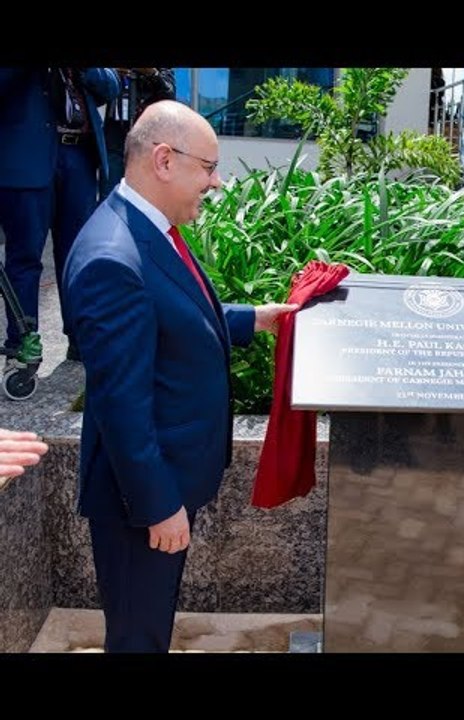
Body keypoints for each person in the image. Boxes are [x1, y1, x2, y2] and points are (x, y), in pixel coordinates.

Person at [62, 100, 298, 653]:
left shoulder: (148, 227)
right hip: (140, 499)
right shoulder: (112, 259)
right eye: (208, 167)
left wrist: (254, 319)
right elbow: (122, 406)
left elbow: (170, 314)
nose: (215, 183)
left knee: (150, 626)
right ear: (164, 159)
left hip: (160, 484)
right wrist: (159, 505)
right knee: (138, 636)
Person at [0, 68, 120, 364]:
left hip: (79, 157)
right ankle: (22, 345)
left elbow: (111, 87)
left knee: (79, 257)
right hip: (26, 160)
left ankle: (81, 339)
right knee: (25, 257)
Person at [101, 68, 176, 197]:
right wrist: (112, 74)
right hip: (114, 141)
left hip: (145, 144)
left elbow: (169, 95)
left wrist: (150, 72)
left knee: (143, 197)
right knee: (110, 196)